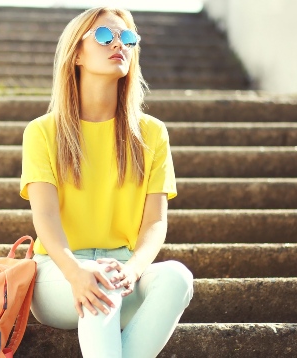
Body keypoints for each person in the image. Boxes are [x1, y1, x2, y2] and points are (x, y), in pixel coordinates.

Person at [19, 6, 194, 358]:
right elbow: (47, 219)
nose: (119, 44)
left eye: (128, 38)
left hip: (122, 271)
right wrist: (75, 270)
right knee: (101, 279)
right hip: (58, 274)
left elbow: (155, 223)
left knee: (177, 277)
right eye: (104, 35)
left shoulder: (151, 134)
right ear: (77, 54)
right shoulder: (43, 131)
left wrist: (133, 271)